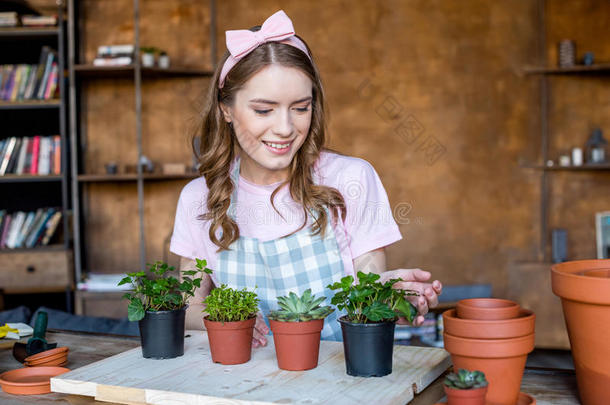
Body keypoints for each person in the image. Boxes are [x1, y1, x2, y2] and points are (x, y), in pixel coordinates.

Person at [170, 10, 442, 346]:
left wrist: (392, 298)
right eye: (263, 110)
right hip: (240, 386)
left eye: (300, 107)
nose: (285, 128)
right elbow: (190, 307)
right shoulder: (200, 198)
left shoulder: (351, 179)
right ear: (226, 109)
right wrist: (225, 316)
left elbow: (367, 298)